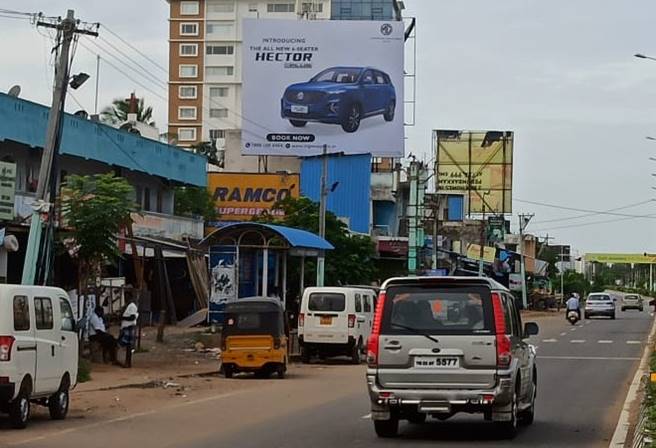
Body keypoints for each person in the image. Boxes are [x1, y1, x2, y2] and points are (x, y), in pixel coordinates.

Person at [119, 298, 139, 367]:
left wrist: (123, 318)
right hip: (126, 327)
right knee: (127, 345)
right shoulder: (129, 306)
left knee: (128, 345)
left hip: (129, 327)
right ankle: (127, 362)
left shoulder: (132, 306)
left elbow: (132, 318)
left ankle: (128, 362)